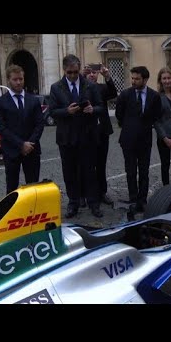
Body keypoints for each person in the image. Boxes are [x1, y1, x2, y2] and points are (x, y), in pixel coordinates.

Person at [49, 54, 104, 219]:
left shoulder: (90, 85)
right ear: (64, 70)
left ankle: (93, 202)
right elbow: (51, 112)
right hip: (66, 137)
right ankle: (73, 202)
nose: (73, 76)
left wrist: (93, 110)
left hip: (87, 136)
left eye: (75, 72)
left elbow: (101, 106)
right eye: (69, 72)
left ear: (79, 69)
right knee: (69, 172)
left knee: (89, 171)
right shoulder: (56, 87)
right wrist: (67, 111)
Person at [115, 66, 162, 212]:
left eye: (137, 79)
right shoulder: (125, 95)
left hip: (145, 140)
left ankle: (142, 200)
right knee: (130, 170)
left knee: (144, 171)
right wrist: (131, 126)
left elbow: (156, 115)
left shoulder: (154, 96)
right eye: (133, 78)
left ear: (145, 79)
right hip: (128, 139)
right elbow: (119, 115)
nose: (134, 81)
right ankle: (133, 198)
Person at [0, 65, 45, 194]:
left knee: (33, 187)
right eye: (15, 79)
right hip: (11, 151)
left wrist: (30, 144)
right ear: (8, 80)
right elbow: (2, 128)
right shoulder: (0, 102)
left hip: (32, 150)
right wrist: (21, 144)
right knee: (11, 188)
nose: (18, 82)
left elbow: (39, 124)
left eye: (21, 79)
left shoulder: (33, 101)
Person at [82, 64, 117, 206]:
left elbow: (113, 93)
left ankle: (102, 191)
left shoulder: (102, 88)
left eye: (94, 72)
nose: (92, 75)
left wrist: (107, 76)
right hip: (85, 131)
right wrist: (80, 75)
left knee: (101, 164)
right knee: (86, 164)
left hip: (102, 131)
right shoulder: (81, 87)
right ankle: (84, 194)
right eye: (89, 72)